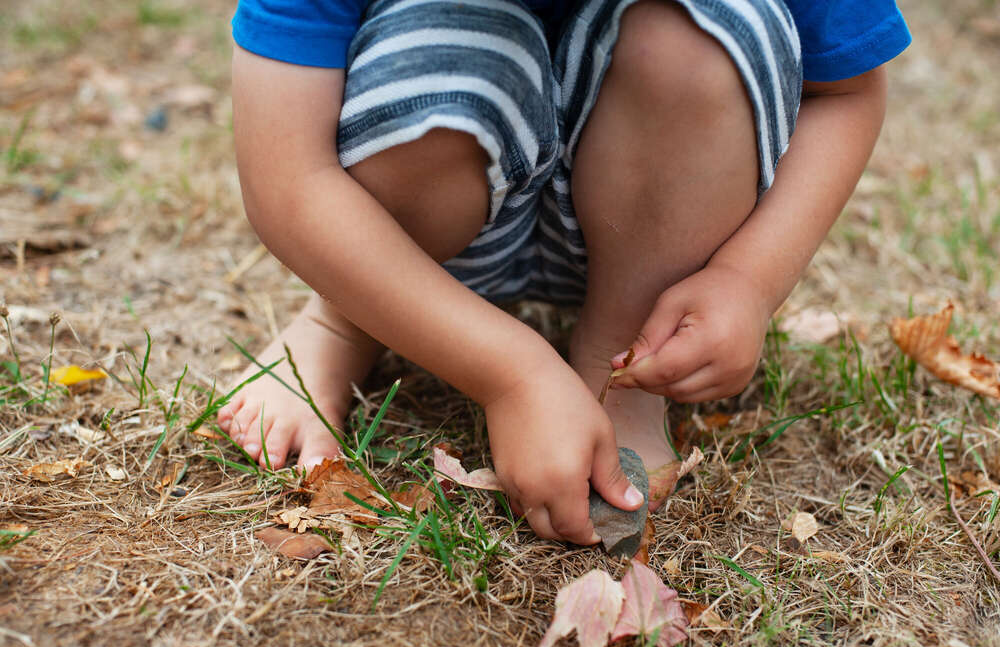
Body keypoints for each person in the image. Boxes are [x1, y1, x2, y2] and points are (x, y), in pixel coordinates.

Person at [217, 0, 910, 545]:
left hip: (652, 223)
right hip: (427, 228)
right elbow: (290, 181)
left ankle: (623, 371)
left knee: (694, 39)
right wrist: (513, 374)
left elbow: (847, 91)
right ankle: (344, 321)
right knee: (447, 36)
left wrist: (748, 280)